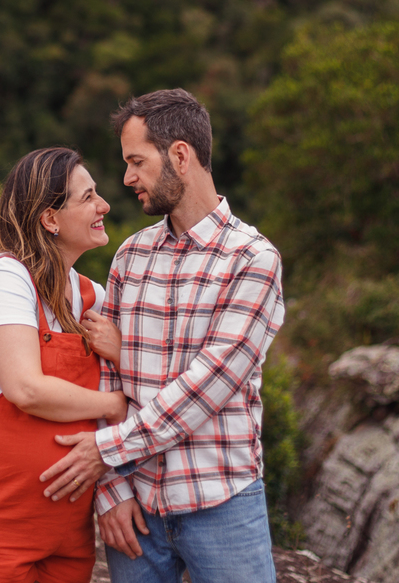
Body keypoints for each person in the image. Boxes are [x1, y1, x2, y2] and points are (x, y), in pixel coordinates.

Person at [42, 89, 286, 583]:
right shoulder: (130, 255)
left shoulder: (253, 260)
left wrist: (106, 451)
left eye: (137, 162)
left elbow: (206, 387)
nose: (127, 178)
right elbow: (102, 375)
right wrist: (111, 491)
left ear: (180, 155)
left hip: (222, 503)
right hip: (136, 507)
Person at [0, 147, 127, 583]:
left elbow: (149, 375)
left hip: (66, 532)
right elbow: (25, 389)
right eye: (88, 197)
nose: (104, 205)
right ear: (50, 219)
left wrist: (121, 353)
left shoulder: (92, 296)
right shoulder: (5, 278)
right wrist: (113, 405)